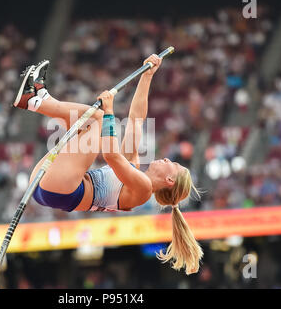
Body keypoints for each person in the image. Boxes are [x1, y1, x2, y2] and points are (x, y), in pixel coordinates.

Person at [13, 54, 203, 274]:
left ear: (169, 180)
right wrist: (147, 76)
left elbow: (111, 155)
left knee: (100, 118)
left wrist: (111, 111)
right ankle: (38, 99)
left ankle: (35, 101)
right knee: (90, 119)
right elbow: (136, 119)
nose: (168, 159)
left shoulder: (142, 189)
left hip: (64, 189)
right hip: (55, 185)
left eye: (174, 164)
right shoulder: (134, 165)